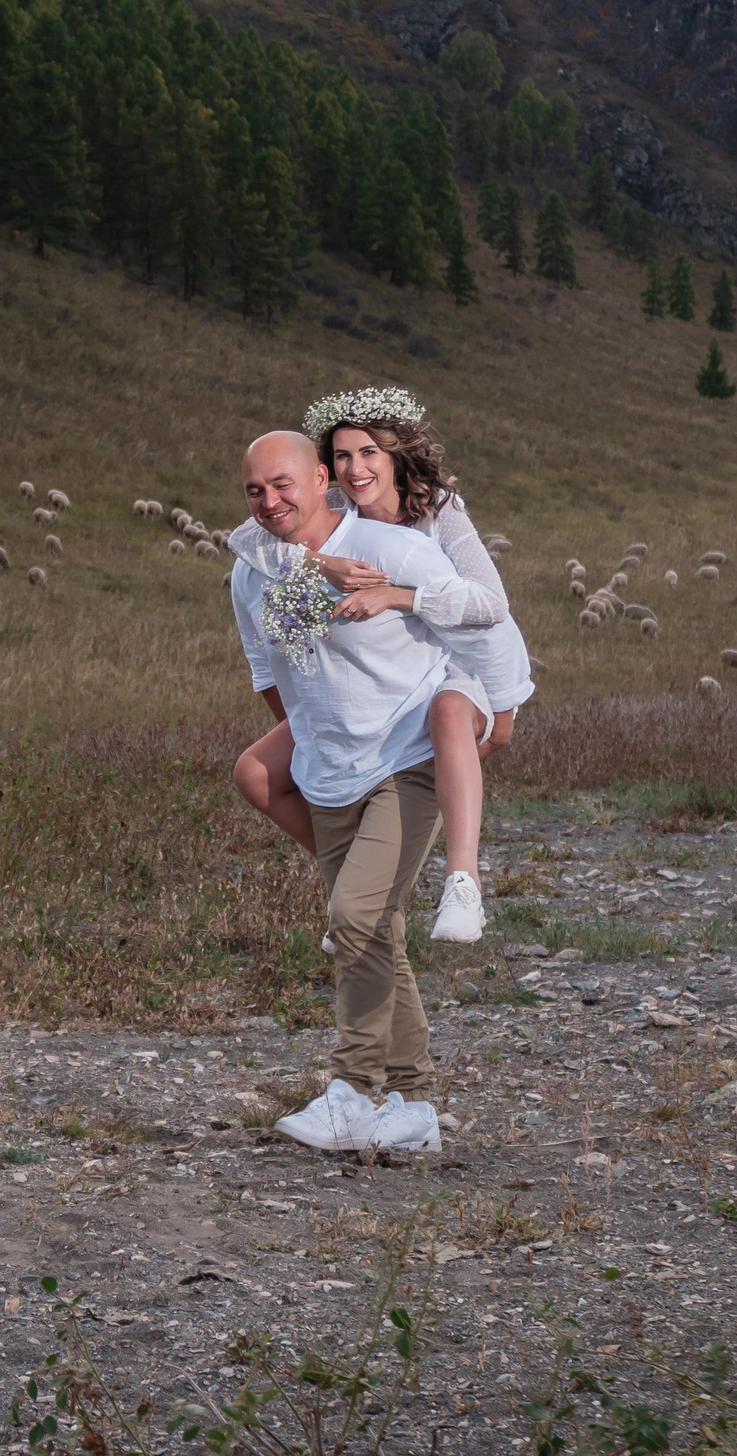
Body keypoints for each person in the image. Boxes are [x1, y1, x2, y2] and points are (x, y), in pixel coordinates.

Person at [232, 387, 532, 947]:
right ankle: (365, 886)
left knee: (445, 715)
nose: (356, 468)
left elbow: (490, 606)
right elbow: (245, 537)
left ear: (395, 454)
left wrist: (396, 596)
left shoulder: (439, 511)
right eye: (342, 456)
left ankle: (462, 883)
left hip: (468, 665)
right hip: (403, 669)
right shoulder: (338, 515)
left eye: (369, 452)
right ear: (325, 471)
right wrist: (320, 561)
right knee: (254, 771)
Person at [229, 429, 454, 1153]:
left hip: (408, 762)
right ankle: (415, 1109)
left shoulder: (389, 549)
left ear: (323, 476)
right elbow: (274, 682)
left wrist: (487, 721)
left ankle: (353, 1090)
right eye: (256, 490)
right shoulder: (251, 574)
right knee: (376, 930)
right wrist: (321, 740)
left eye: (283, 484)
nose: (270, 501)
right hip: (331, 778)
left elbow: (478, 615)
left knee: (354, 916)